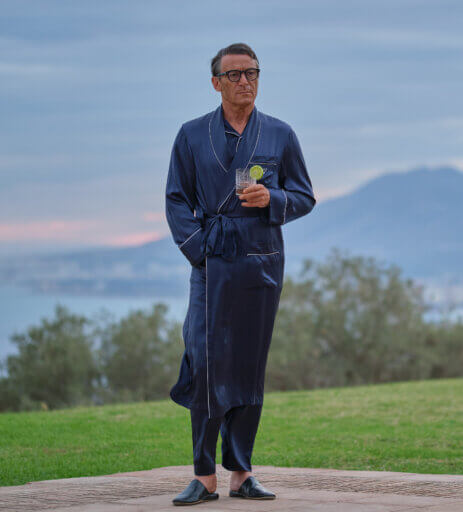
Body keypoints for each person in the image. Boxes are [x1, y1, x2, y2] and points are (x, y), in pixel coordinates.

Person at [165, 42, 316, 506]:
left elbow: (305, 195)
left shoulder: (280, 134)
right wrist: (200, 250)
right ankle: (204, 476)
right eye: (233, 75)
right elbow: (176, 199)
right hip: (212, 264)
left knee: (249, 368)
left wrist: (274, 201)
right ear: (216, 83)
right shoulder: (192, 136)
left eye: (251, 72)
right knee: (206, 364)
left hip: (261, 263)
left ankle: (242, 474)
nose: (244, 81)